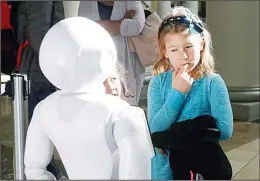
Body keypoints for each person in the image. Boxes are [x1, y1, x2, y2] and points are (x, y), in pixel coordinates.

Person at [24, 17, 154, 180]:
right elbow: (137, 175)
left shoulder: (43, 109)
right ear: (105, 56)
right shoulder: (122, 112)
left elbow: (33, 171)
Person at [147, 6, 233, 180]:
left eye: (188, 46)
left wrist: (170, 137)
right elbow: (154, 131)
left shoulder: (212, 82)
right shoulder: (157, 83)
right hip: (163, 171)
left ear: (201, 44)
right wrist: (177, 93)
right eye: (174, 49)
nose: (183, 56)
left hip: (200, 168)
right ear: (164, 51)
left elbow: (224, 130)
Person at [8, 1, 65, 178]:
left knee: (38, 128)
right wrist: (59, 63)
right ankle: (43, 172)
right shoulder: (41, 1)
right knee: (39, 130)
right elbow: (39, 39)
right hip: (38, 72)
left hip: (36, 70)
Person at [78, 1, 145, 106]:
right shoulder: (87, 2)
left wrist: (96, 25)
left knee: (127, 110)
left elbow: (136, 27)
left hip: (128, 66)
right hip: (97, 66)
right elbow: (83, 29)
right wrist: (123, 22)